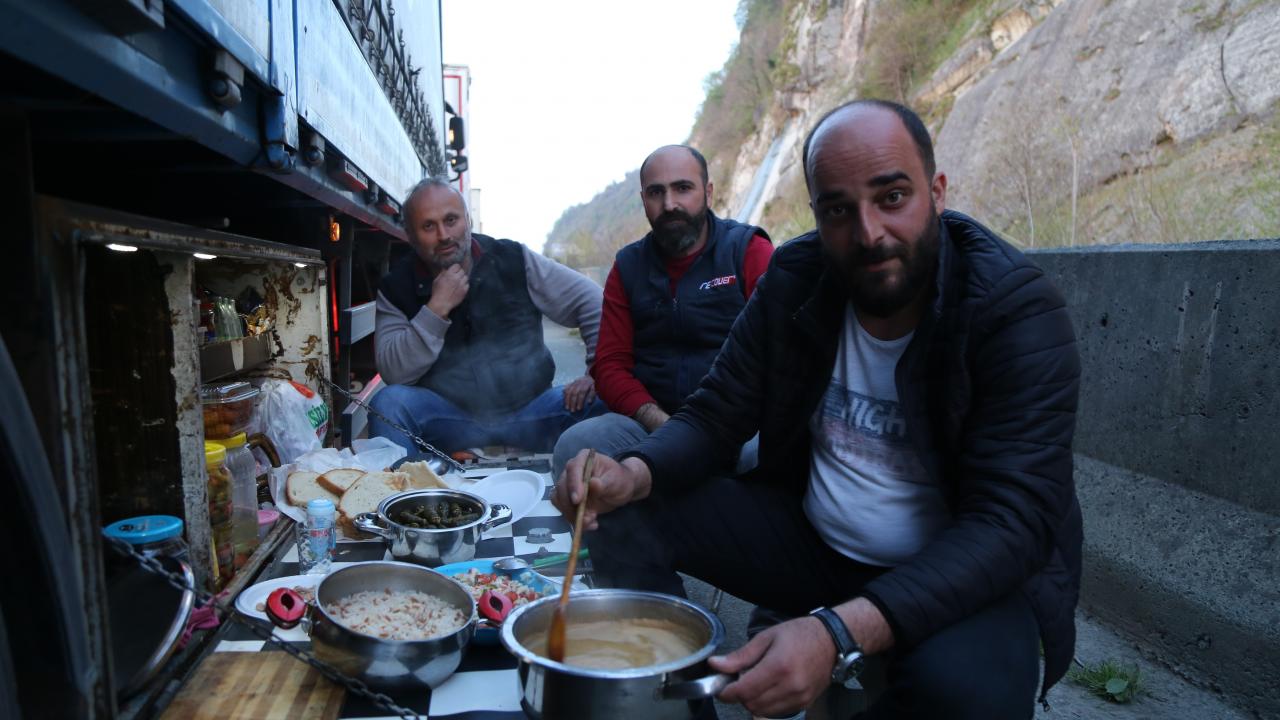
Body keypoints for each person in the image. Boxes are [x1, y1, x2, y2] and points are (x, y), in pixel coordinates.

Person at [555, 100, 1082, 719]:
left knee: (968, 695)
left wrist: (836, 632)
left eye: (892, 197)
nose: (868, 233)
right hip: (813, 541)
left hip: (954, 568)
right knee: (626, 512)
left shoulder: (1014, 310)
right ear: (816, 213)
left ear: (937, 192)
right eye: (837, 209)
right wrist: (633, 473)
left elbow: (1010, 524)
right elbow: (716, 413)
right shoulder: (798, 277)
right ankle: (673, 705)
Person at [551, 145, 772, 480]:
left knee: (765, 452)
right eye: (656, 192)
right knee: (575, 447)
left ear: (708, 192)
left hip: (737, 426)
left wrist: (719, 427)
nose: (670, 205)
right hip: (652, 425)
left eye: (683, 188)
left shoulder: (748, 251)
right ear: (643, 200)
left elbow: (778, 350)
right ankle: (631, 529)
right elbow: (609, 364)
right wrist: (660, 423)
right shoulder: (628, 267)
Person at [371, 177, 605, 455]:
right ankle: (408, 494)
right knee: (387, 405)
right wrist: (435, 310)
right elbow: (393, 372)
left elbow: (593, 302)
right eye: (428, 226)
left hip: (534, 410)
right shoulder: (396, 286)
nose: (444, 235)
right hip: (448, 417)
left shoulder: (512, 258)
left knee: (610, 394)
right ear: (410, 235)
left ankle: (598, 489)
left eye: (451, 220)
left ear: (467, 221)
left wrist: (596, 372)